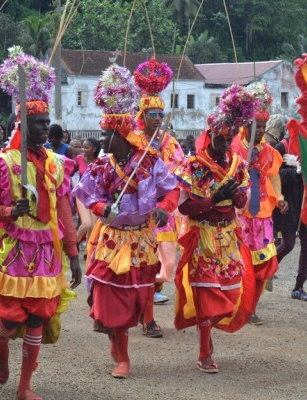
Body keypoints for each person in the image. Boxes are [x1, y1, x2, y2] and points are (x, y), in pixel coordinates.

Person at [0, 47, 81, 400]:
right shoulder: (3, 162)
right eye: (37, 123)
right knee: (9, 316)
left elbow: (64, 208)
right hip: (17, 250)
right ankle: (2, 345)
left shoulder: (56, 162)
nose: (44, 128)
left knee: (38, 316)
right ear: (22, 125)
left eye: (46, 123)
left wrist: (73, 251)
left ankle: (25, 386)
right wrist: (13, 212)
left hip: (47, 251)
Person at [73, 63, 178, 378]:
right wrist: (102, 208)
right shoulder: (102, 166)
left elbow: (170, 193)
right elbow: (87, 195)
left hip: (141, 241)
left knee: (134, 301)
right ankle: (123, 357)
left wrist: (162, 208)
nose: (103, 141)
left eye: (108, 135)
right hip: (110, 239)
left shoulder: (149, 161)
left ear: (123, 135)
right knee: (107, 296)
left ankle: (119, 343)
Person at [174, 86, 257, 373]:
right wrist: (212, 199)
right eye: (220, 139)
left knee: (230, 294)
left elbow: (244, 201)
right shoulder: (194, 165)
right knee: (207, 294)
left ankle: (207, 335)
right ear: (209, 135)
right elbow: (184, 207)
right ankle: (203, 352)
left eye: (229, 139)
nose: (225, 144)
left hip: (228, 234)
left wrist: (234, 197)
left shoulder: (237, 165)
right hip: (204, 235)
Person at [133, 57, 185, 337]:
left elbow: (179, 172)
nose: (158, 119)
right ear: (142, 116)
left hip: (164, 212)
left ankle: (146, 302)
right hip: (139, 212)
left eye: (160, 115)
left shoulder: (170, 142)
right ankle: (147, 316)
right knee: (144, 264)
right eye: (152, 114)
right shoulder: (133, 141)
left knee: (167, 266)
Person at [234, 82, 287, 325]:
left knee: (263, 264)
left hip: (263, 214)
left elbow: (274, 177)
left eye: (264, 127)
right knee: (240, 263)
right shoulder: (233, 148)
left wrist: (282, 198)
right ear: (245, 126)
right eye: (256, 126)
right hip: (240, 215)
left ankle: (252, 308)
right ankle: (237, 306)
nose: (261, 131)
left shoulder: (269, 151)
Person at [272, 124, 307, 303]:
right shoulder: (282, 147)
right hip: (288, 201)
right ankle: (266, 270)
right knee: (288, 244)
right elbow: (273, 175)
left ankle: (299, 287)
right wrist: (294, 170)